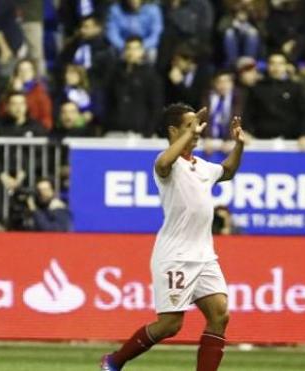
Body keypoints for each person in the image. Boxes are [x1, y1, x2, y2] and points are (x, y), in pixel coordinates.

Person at [100, 103, 245, 371]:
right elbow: (165, 162)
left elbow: (228, 172)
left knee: (220, 314)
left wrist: (239, 145)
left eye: (197, 127)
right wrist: (189, 136)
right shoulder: (166, 164)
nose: (198, 131)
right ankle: (114, 361)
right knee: (170, 325)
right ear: (173, 130)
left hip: (204, 255)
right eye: (190, 126)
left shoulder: (201, 166)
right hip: (175, 255)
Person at [244, 53, 305, 149]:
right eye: (272, 63)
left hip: (292, 141)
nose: (276, 67)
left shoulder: (296, 88)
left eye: (280, 64)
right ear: (267, 66)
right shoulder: (256, 88)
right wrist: (246, 131)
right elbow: (248, 113)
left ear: (286, 66)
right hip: (261, 141)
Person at [105, 36, 163, 137]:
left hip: (141, 133)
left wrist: (149, 131)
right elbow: (108, 101)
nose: (131, 52)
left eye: (136, 48)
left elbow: (156, 106)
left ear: (142, 51)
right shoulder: (115, 73)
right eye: (128, 48)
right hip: (115, 131)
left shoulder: (151, 75)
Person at [157, 0, 214, 72]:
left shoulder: (202, 5)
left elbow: (204, 33)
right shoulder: (164, 5)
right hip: (172, 48)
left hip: (193, 47)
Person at [0, 58, 53, 130]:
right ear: (16, 74)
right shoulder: (8, 91)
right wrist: (13, 92)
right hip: (9, 128)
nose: (24, 73)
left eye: (28, 70)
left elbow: (46, 119)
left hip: (33, 129)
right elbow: (0, 114)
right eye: (21, 70)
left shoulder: (41, 93)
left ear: (33, 73)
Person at [202, 70, 244, 153]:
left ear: (232, 83)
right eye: (220, 82)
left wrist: (231, 138)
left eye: (227, 82)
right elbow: (204, 119)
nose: (223, 85)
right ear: (214, 83)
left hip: (230, 140)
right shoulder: (207, 96)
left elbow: (238, 118)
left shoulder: (239, 97)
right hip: (209, 139)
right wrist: (207, 137)